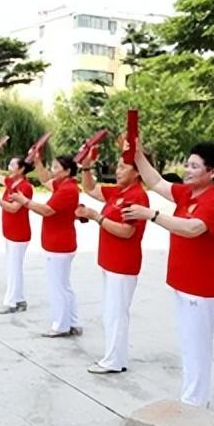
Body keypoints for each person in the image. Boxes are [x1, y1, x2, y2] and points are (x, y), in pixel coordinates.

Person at [124, 141, 214, 407]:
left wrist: (151, 214)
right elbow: (157, 182)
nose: (187, 170)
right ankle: (192, 396)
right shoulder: (187, 194)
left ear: (212, 172)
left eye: (194, 166)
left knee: (197, 345)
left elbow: (192, 228)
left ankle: (195, 401)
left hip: (202, 285)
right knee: (187, 342)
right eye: (187, 164)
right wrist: (137, 155)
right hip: (183, 282)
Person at [76, 141, 149, 373]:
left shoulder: (137, 196)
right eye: (117, 166)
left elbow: (127, 231)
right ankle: (114, 357)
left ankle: (114, 361)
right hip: (110, 262)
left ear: (137, 171)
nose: (117, 171)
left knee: (116, 313)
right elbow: (90, 189)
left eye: (123, 167)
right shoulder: (118, 191)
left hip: (123, 263)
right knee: (110, 311)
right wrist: (86, 168)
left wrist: (96, 217)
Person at [19, 154, 83, 337]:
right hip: (60, 243)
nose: (53, 170)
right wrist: (39, 160)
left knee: (58, 287)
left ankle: (61, 325)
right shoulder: (63, 185)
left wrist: (25, 202)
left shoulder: (68, 190)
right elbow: (45, 179)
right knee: (64, 285)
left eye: (56, 167)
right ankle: (72, 321)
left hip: (59, 244)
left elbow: (47, 211)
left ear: (67, 171)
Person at [0, 150, 34, 314]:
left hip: (19, 233)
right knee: (14, 267)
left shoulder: (25, 187)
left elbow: (14, 208)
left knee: (14, 268)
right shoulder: (11, 183)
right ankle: (20, 300)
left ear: (21, 169)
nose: (9, 167)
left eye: (12, 164)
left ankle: (12, 302)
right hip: (10, 232)